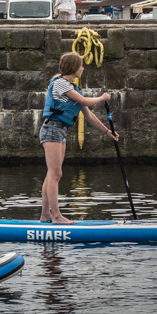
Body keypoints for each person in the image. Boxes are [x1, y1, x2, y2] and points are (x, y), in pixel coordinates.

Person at [40, 52, 118, 224]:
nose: (83, 68)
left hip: (59, 130)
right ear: (74, 67)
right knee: (56, 173)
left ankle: (46, 214)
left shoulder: (73, 88)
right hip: (52, 128)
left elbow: (89, 116)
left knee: (52, 174)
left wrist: (107, 132)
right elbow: (84, 101)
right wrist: (102, 98)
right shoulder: (60, 83)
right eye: (81, 65)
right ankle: (57, 216)